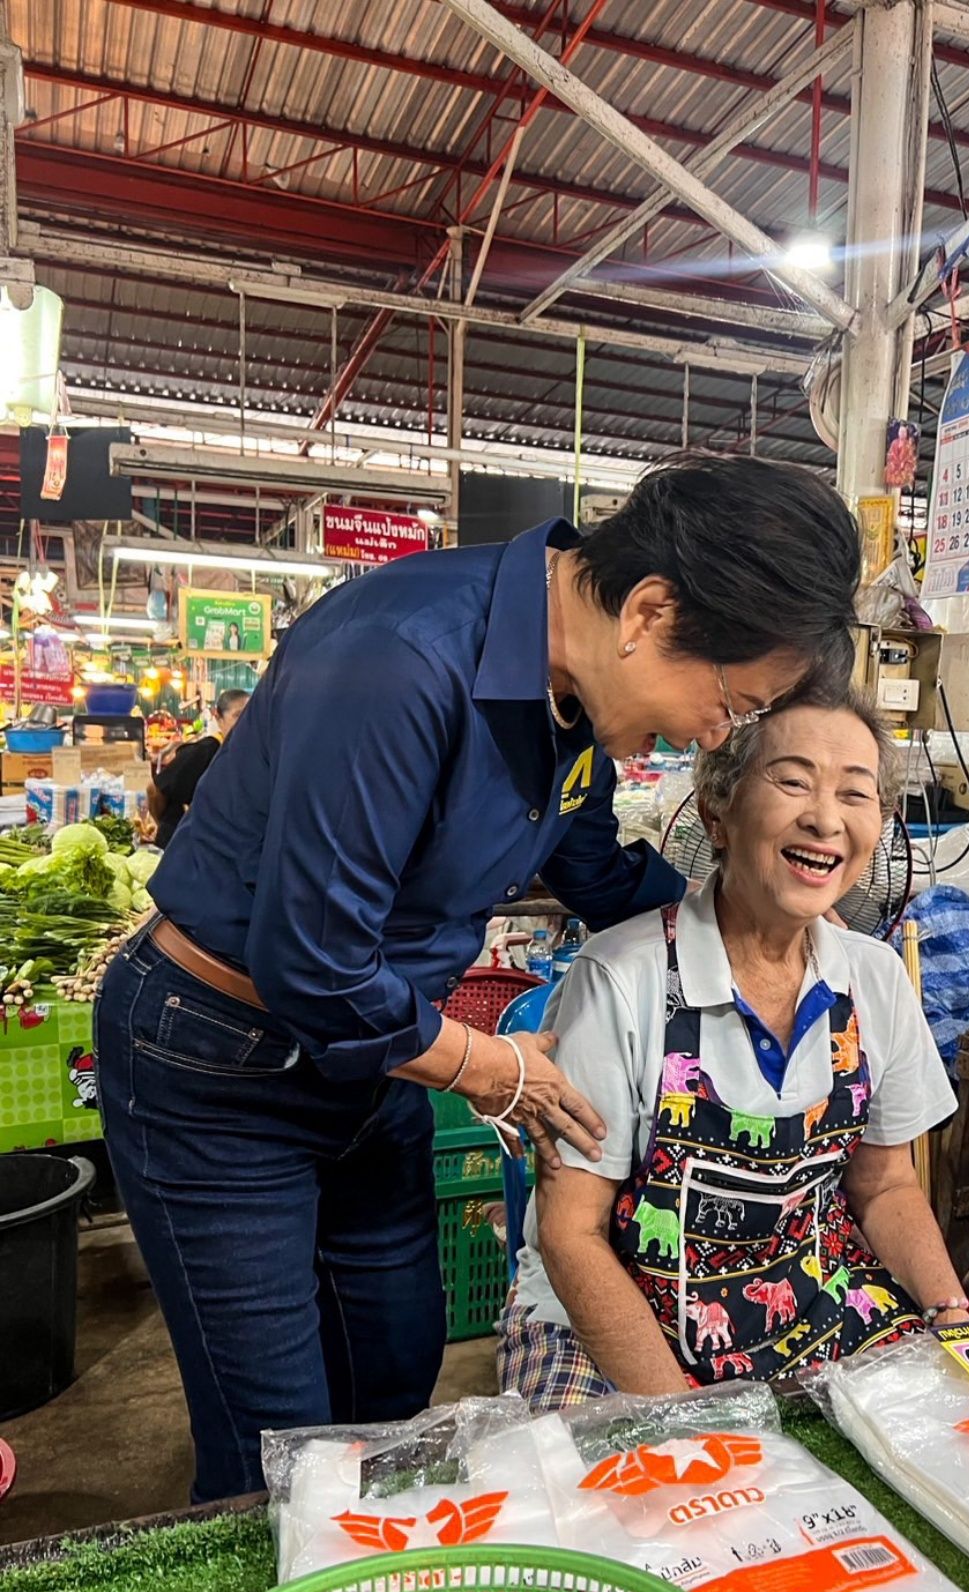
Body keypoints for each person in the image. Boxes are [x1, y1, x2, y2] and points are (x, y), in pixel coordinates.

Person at [94, 452, 862, 1501]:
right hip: (222, 1056)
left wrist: (755, 931)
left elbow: (591, 866)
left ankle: (365, 1590)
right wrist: (485, 1065)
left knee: (394, 1368)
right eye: (730, 701)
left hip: (377, 1061)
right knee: (271, 1430)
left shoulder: (569, 699)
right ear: (646, 609)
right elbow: (310, 955)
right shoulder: (398, 656)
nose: (711, 734)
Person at [499, 683, 966, 1409]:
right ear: (717, 810)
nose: (824, 820)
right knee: (628, 1504)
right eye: (792, 781)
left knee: (945, 1433)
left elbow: (886, 1186)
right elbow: (571, 1236)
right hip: (609, 1317)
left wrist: (950, 1314)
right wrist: (690, 1424)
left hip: (809, 1292)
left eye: (855, 794)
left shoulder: (873, 980)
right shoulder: (621, 980)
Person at [147, 688, 250, 850]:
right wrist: (164, 823)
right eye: (237, 715)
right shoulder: (204, 751)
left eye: (249, 716)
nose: (245, 722)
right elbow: (154, 790)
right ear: (218, 718)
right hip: (180, 847)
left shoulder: (245, 755)